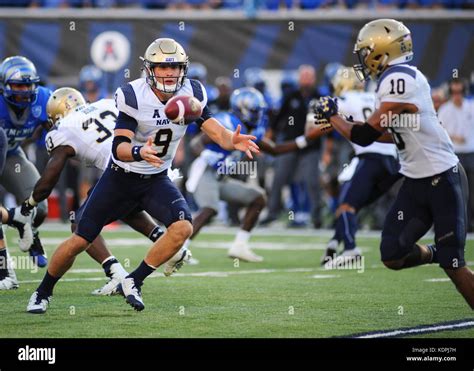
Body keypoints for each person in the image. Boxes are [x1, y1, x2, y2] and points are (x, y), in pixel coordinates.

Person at [26, 38, 260, 314]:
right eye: (162, 67)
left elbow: (216, 131)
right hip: (120, 177)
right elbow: (118, 147)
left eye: (174, 67)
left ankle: (133, 280)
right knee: (81, 238)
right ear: (149, 69)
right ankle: (42, 292)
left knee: (183, 227)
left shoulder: (192, 91)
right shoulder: (133, 95)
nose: (169, 73)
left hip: (156, 178)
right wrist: (139, 151)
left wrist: (232, 141)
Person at [314, 19, 474, 309]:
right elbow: (395, 132)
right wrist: (344, 121)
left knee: (455, 267)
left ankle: (448, 255)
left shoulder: (398, 79)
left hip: (442, 178)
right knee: (392, 254)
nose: (363, 59)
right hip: (415, 181)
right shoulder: (395, 80)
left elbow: (363, 136)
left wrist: (332, 115)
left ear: (381, 51)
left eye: (366, 51)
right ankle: (441, 251)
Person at [18, 87, 184, 295]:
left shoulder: (63, 128)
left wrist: (30, 203)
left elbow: (50, 177)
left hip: (122, 172)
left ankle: (117, 275)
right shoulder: (106, 103)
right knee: (125, 206)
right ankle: (161, 243)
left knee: (80, 223)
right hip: (151, 162)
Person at [185, 87, 325, 262]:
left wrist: (307, 138)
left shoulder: (250, 130)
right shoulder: (227, 121)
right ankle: (180, 249)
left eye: (259, 111)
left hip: (221, 177)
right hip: (205, 171)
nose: (258, 115)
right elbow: (197, 142)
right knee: (210, 209)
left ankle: (240, 246)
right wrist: (206, 154)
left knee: (258, 198)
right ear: (241, 108)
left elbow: (275, 149)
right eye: (254, 111)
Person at [317, 66, 400, 266]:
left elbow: (323, 114)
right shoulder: (375, 98)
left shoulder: (346, 99)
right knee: (352, 206)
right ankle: (334, 243)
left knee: (346, 205)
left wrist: (320, 112)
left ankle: (350, 249)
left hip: (369, 159)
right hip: (393, 162)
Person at [0, 55, 50, 267]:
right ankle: (4, 269)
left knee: (39, 207)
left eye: (27, 86)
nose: (24, 92)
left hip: (11, 154)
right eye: (18, 86)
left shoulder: (43, 99)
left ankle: (29, 228)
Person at [437, 78, 474, 232]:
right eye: (453, 92)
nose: (456, 95)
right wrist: (453, 137)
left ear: (464, 92)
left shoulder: (471, 108)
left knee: (471, 191)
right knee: (454, 192)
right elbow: (439, 133)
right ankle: (457, 223)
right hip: (453, 155)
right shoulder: (444, 110)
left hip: (471, 153)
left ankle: (470, 223)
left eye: (459, 92)